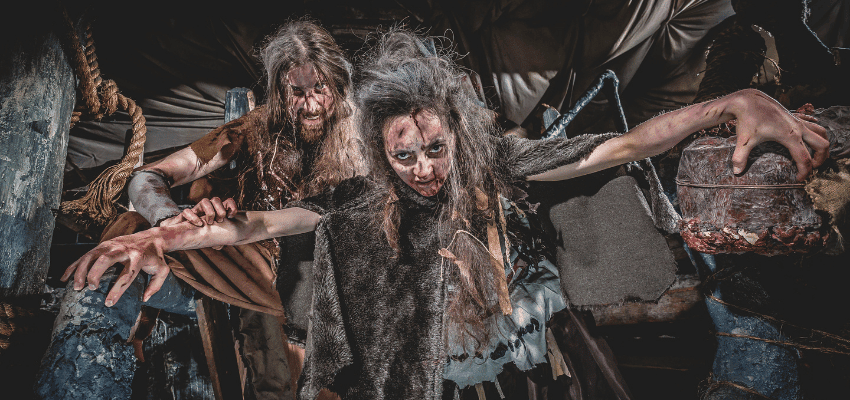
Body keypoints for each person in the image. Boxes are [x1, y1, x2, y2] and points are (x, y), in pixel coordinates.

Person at [63, 29, 828, 400]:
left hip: (504, 314)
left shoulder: (488, 160)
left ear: (454, 131)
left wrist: (733, 100)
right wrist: (167, 230)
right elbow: (270, 224)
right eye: (406, 158)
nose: (425, 170)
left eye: (434, 149)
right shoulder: (327, 176)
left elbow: (619, 146)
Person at [38, 20, 365, 400]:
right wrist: (169, 221)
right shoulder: (257, 127)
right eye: (296, 91)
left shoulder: (365, 136)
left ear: (337, 82)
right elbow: (149, 176)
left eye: (319, 88)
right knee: (127, 226)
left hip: (326, 287)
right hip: (258, 264)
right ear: (279, 90)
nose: (310, 104)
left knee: (305, 387)